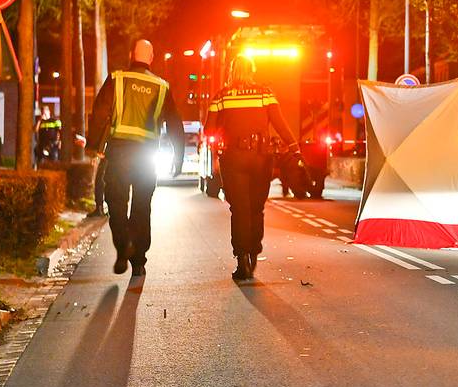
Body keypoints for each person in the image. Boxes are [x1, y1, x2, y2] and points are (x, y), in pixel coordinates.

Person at [88, 40, 185, 277]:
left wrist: (94, 146)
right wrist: (177, 156)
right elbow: (174, 123)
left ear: (132, 55)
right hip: (147, 155)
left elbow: (100, 112)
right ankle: (139, 261)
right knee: (142, 206)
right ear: (151, 57)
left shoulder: (117, 79)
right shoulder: (161, 86)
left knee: (116, 202)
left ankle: (123, 247)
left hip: (119, 152)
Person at [203, 55, 300, 281]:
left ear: (231, 71)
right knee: (257, 207)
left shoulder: (222, 96)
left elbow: (209, 131)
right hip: (261, 157)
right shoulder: (265, 93)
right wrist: (294, 147)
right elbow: (279, 123)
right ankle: (254, 250)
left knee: (239, 209)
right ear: (252, 70)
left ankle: (242, 259)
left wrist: (218, 146)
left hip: (234, 158)